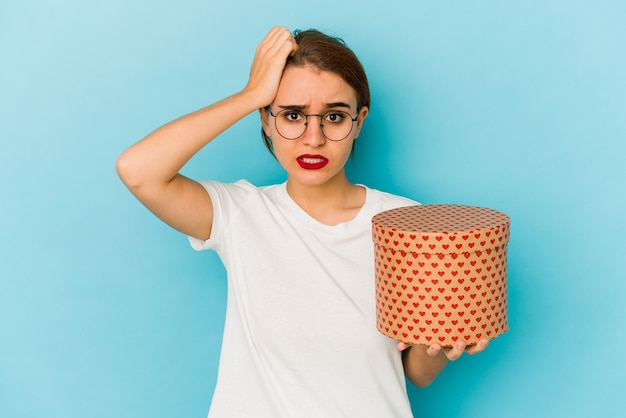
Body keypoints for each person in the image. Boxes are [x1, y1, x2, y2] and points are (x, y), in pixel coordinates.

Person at [116, 26, 489, 418]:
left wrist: (443, 344)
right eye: (292, 115)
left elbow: (415, 372)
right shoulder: (240, 214)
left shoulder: (407, 225)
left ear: (359, 121)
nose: (314, 138)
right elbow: (138, 170)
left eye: (334, 116)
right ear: (265, 118)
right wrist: (250, 95)